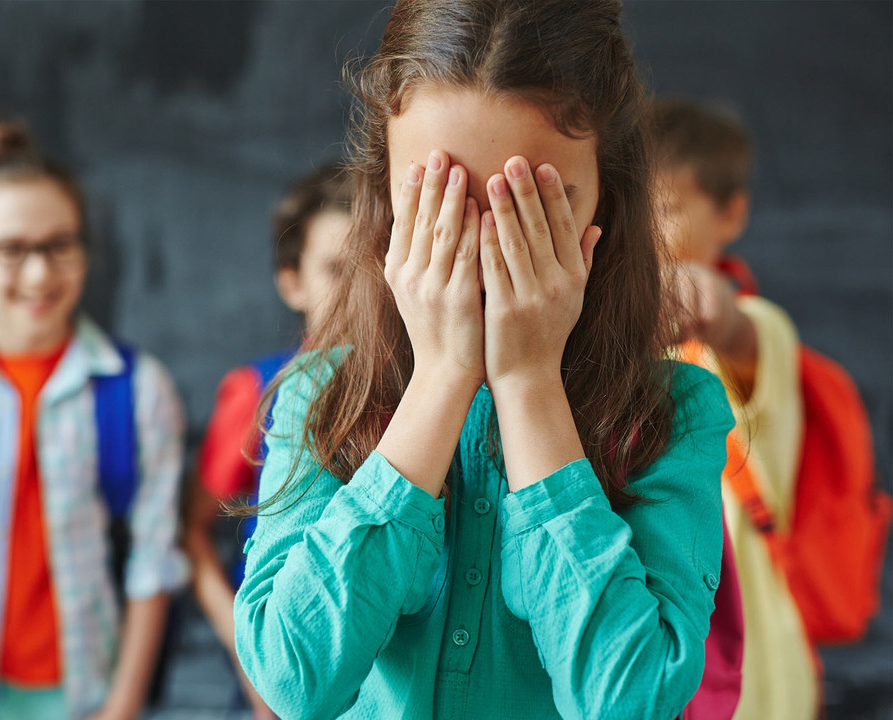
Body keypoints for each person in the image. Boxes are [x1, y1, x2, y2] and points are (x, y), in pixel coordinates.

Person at [232, 1, 735, 718]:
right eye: (441, 199)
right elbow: (293, 679)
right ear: (385, 197)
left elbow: (630, 698)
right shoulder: (323, 393)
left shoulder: (673, 413)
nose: (484, 244)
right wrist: (440, 379)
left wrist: (530, 384)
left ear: (607, 202)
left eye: (533, 205)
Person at [0, 120, 188, 720]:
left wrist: (122, 706)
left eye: (59, 245)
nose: (38, 275)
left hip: (97, 692)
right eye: (9, 249)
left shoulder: (138, 391)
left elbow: (153, 560)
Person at [650, 97, 818, 719]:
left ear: (732, 213)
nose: (641, 229)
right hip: (661, 650)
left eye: (663, 208)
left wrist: (709, 300)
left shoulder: (758, 330)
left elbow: (727, 320)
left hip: (755, 670)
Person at [184, 161, 352, 719]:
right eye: (336, 270)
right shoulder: (259, 391)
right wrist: (252, 660)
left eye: (377, 267)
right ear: (291, 280)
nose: (360, 294)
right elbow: (194, 535)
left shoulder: (431, 394)